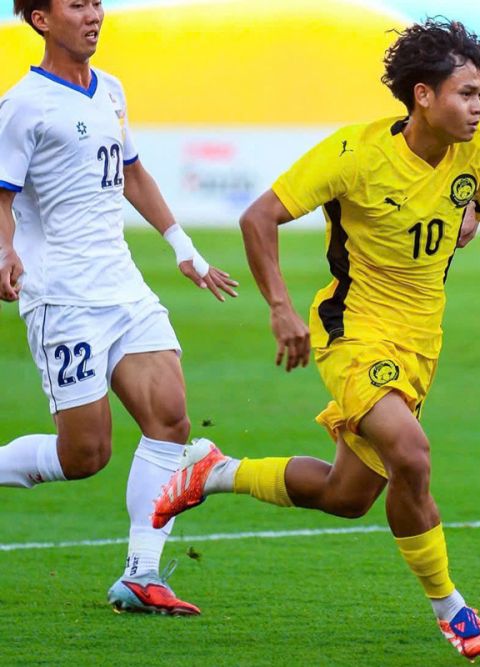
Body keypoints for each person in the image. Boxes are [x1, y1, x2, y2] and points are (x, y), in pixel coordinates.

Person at [150, 18, 480, 661]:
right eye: (465, 94)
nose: (478, 107)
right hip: (353, 330)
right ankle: (452, 611)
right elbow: (260, 217)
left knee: (345, 496)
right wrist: (281, 308)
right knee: (412, 455)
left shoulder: (478, 152)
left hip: (420, 345)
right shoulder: (355, 153)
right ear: (423, 95)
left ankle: (215, 470)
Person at [0, 0, 237, 615]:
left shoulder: (110, 88)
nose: (94, 15)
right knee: (85, 455)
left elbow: (132, 173)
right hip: (63, 297)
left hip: (124, 288)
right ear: (41, 19)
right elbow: (1, 195)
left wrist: (183, 247)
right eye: (77, 4)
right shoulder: (23, 105)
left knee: (171, 419)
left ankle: (141, 573)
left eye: (97, 3)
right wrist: (4, 251)